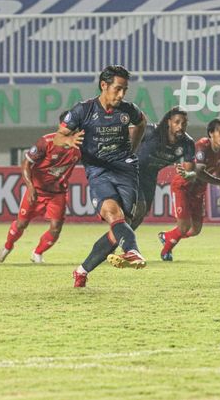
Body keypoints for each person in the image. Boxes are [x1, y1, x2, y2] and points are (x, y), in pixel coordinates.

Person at [53, 65, 147, 288]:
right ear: (104, 85)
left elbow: (141, 122)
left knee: (119, 230)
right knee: (113, 215)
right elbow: (58, 136)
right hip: (98, 171)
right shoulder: (82, 110)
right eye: (117, 89)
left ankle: (81, 271)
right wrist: (68, 141)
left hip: (126, 170)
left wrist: (134, 146)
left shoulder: (128, 110)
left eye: (125, 89)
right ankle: (133, 251)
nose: (121, 94)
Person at [0, 111, 81, 264]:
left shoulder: (80, 147)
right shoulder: (46, 142)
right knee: (21, 224)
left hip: (58, 193)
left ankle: (37, 253)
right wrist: (30, 187)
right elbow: (26, 163)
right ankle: (7, 247)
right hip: (37, 191)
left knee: (56, 227)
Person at [158, 117, 220, 261]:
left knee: (195, 230)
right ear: (211, 133)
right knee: (184, 227)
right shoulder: (202, 146)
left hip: (198, 191)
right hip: (184, 186)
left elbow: (218, 167)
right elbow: (199, 172)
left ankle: (168, 236)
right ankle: (166, 251)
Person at [130, 107, 196, 234]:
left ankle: (117, 241)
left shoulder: (187, 143)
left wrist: (187, 174)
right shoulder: (151, 132)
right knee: (139, 208)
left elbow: (192, 173)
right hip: (132, 170)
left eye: (184, 123)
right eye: (177, 122)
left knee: (142, 213)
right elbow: (124, 133)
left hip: (150, 175)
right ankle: (119, 240)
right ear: (169, 122)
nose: (180, 126)